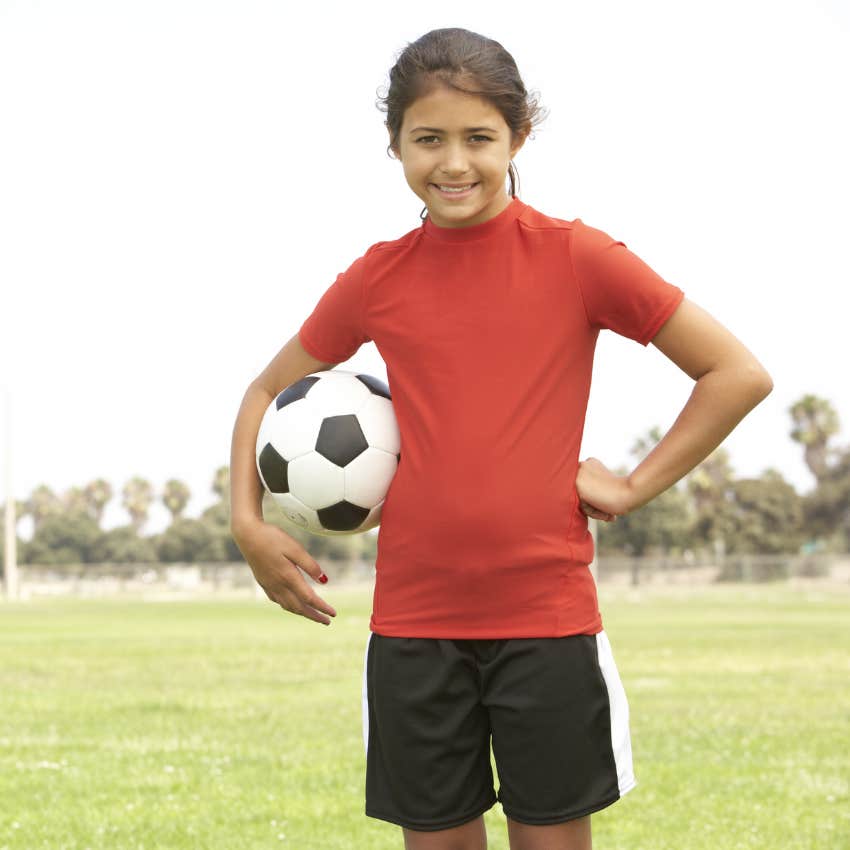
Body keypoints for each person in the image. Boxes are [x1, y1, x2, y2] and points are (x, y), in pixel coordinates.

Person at [229, 27, 773, 850]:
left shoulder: (577, 257)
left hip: (546, 623)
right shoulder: (379, 277)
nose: (454, 163)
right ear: (395, 145)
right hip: (413, 627)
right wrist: (248, 522)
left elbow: (735, 372)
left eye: (479, 138)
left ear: (520, 135)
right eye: (429, 140)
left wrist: (630, 487)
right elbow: (264, 390)